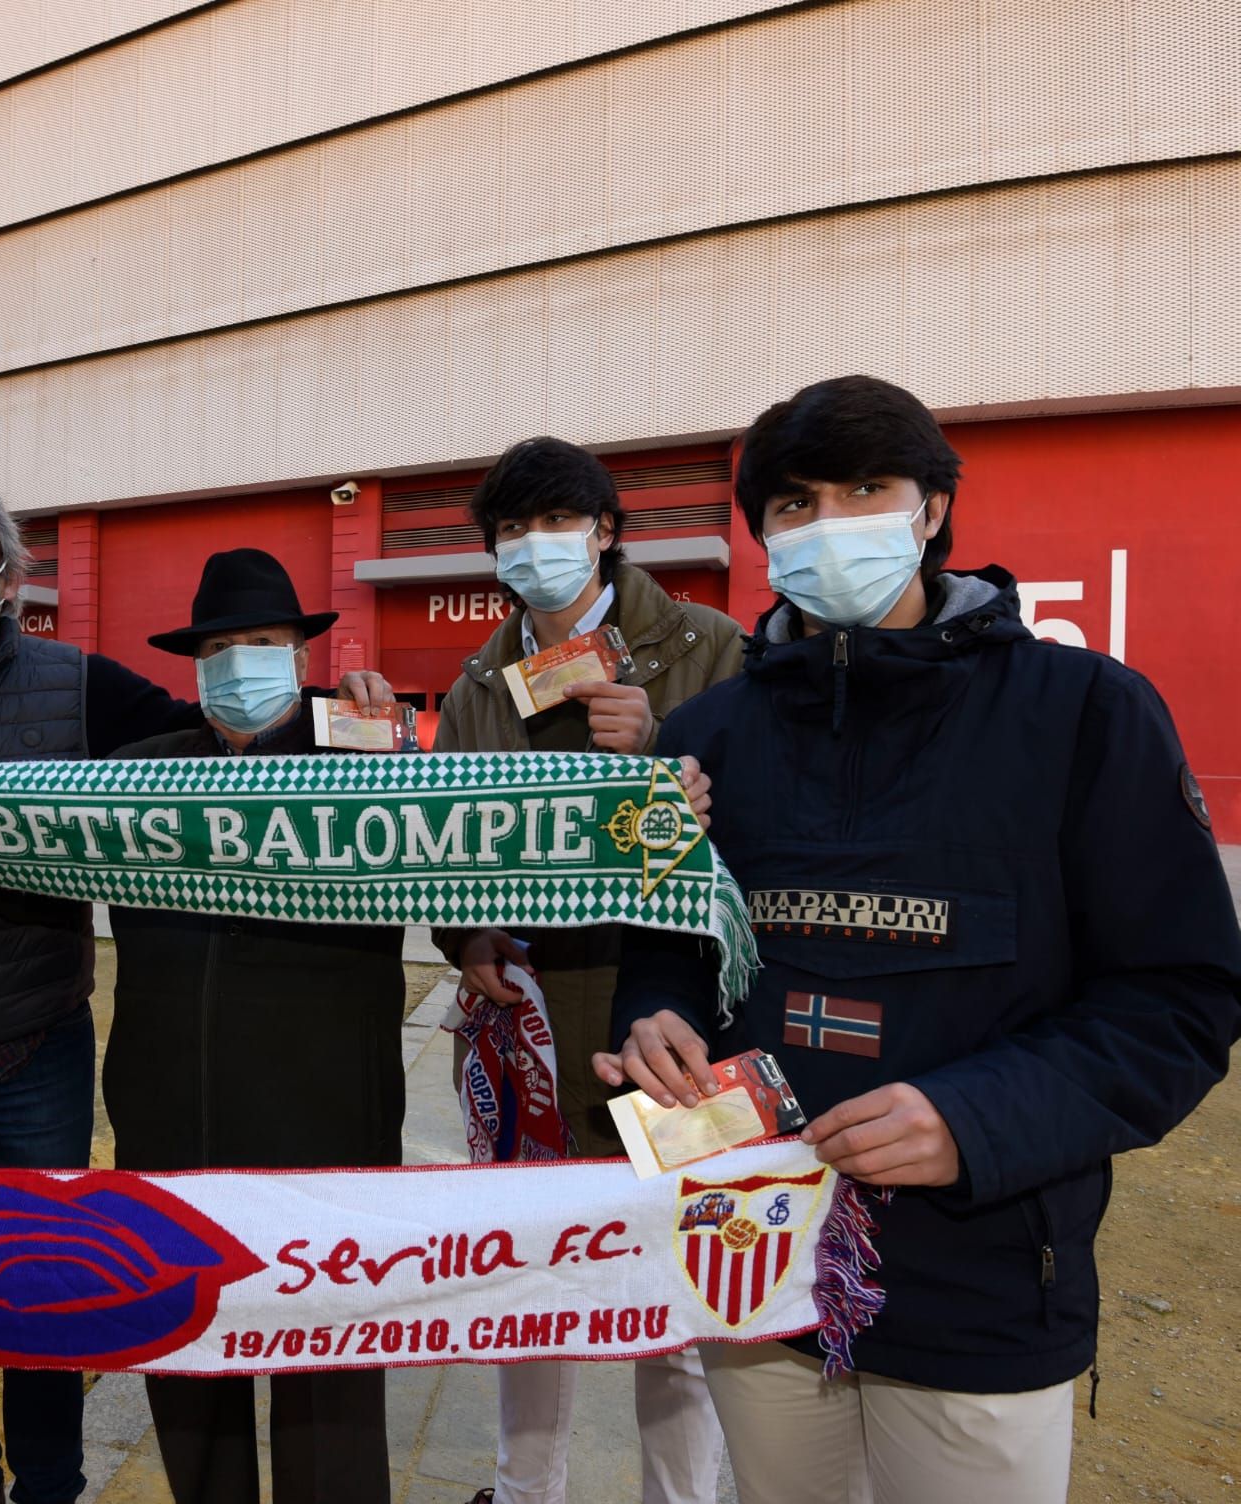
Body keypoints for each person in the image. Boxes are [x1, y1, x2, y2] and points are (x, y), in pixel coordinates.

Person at [597, 375, 1241, 1504]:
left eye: (865, 490)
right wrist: (655, 1015)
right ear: (762, 536)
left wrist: (973, 1120)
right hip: (753, 1261)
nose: (828, 523)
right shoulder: (706, 736)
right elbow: (672, 946)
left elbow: (1177, 1000)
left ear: (932, 508)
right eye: (794, 503)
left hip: (983, 1284)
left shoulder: (1084, 711)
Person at [0, 472, 393, 1504]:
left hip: (35, 1050)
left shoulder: (81, 687)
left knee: (52, 1288)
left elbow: (227, 744)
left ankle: (50, 1484)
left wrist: (345, 713)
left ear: (11, 576)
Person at [433, 437, 742, 1504]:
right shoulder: (479, 683)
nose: (534, 545)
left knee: (680, 1286)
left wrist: (657, 754)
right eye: (510, 529)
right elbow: (446, 848)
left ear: (604, 530)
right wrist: (465, 938)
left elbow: (759, 836)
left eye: (556, 521)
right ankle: (525, 1490)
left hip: (672, 1024)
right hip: (528, 1023)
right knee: (533, 1280)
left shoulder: (706, 647)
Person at [104, 548, 405, 1504]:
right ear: (193, 666)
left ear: (302, 656)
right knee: (190, 1363)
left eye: (264, 642)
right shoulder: (134, 777)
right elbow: (4, 819)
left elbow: (478, 845)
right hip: (170, 1121)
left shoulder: (370, 760)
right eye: (218, 648)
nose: (239, 663)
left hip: (328, 1129)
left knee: (328, 1379)